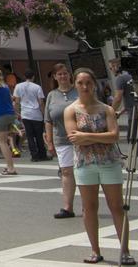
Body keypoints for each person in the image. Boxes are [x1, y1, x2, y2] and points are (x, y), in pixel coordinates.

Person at [66, 67, 134, 265]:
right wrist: (98, 138)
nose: (85, 86)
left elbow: (114, 136)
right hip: (85, 164)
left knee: (117, 207)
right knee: (89, 207)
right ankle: (95, 250)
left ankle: (125, 251)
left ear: (94, 84)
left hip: (108, 162)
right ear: (75, 85)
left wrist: (85, 135)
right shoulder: (71, 110)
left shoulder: (107, 109)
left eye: (88, 82)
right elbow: (73, 138)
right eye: (80, 83)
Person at [43, 62, 79, 219]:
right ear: (55, 77)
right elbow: (48, 120)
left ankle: (88, 205)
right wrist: (49, 141)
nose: (63, 76)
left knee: (83, 171)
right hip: (62, 139)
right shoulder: (52, 95)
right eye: (59, 74)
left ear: (69, 75)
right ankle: (67, 207)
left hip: (81, 137)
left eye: (65, 73)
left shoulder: (78, 91)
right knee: (66, 171)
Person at [14, 70, 48, 161]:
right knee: (39, 136)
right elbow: (41, 103)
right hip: (36, 114)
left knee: (29, 136)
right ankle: (42, 154)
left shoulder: (18, 86)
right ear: (33, 77)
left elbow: (17, 101)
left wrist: (17, 113)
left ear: (25, 77)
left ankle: (34, 155)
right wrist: (44, 114)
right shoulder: (37, 87)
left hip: (25, 114)